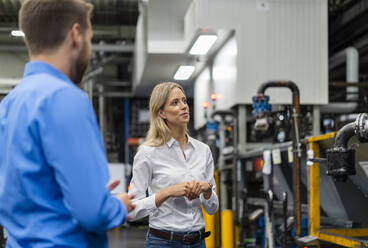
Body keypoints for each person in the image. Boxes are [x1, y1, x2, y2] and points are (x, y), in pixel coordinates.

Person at [0, 0, 134, 247]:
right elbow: (93, 213)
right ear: (76, 35)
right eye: (91, 38)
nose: (91, 50)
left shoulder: (9, 105)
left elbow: (31, 195)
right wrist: (117, 206)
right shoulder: (65, 98)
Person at [128, 82, 219, 247]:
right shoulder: (148, 153)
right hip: (163, 242)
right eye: (175, 103)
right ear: (161, 112)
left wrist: (206, 190)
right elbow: (132, 209)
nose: (184, 106)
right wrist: (166, 193)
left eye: (184, 101)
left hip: (198, 241)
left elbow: (212, 209)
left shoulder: (203, 150)